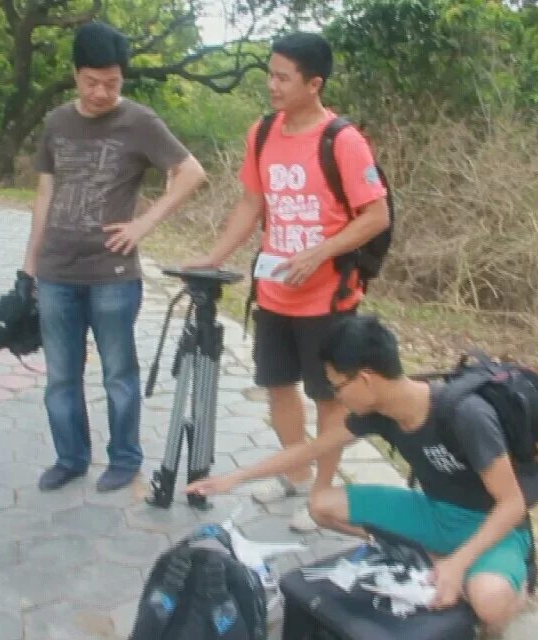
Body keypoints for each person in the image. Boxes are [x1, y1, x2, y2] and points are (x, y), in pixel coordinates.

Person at [187, 315, 533, 634]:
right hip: (433, 513)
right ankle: (433, 558)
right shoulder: (377, 412)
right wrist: (236, 477)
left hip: (494, 527)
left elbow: (513, 504)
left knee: (488, 602)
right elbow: (312, 449)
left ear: (365, 378)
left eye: (337, 386)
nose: (336, 395)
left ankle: (516, 585)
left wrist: (459, 564)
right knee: (322, 505)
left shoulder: (465, 415)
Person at [183, 32, 389, 532]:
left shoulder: (341, 140)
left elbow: (376, 215)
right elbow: (251, 204)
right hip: (275, 293)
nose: (272, 85)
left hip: (329, 298)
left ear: (314, 84)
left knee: (329, 398)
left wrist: (320, 252)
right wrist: (213, 257)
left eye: (283, 78)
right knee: (277, 387)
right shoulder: (261, 133)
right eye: (270, 75)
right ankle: (296, 473)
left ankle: (323, 493)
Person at [22, 21, 208, 493]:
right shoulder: (56, 122)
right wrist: (29, 265)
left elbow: (191, 173)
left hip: (113, 275)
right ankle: (70, 458)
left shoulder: (139, 121)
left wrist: (143, 225)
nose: (102, 92)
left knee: (118, 375)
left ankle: (124, 459)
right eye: (92, 82)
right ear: (75, 74)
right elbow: (45, 193)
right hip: (56, 273)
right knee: (60, 377)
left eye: (112, 82)